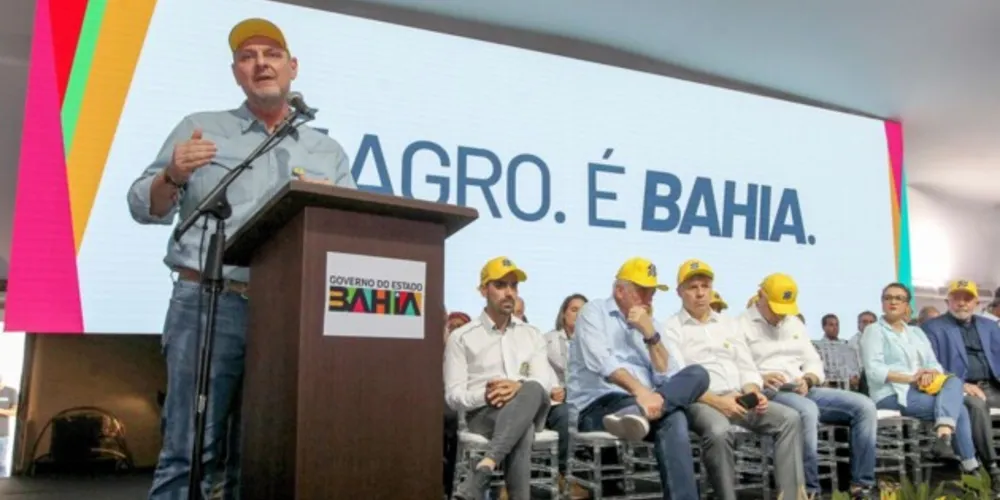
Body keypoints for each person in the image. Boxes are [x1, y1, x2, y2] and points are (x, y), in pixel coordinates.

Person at [126, 18, 357, 499]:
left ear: (293, 67)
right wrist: (172, 174)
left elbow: (351, 231)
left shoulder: (326, 150)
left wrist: (332, 208)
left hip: (287, 311)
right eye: (248, 57)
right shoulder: (201, 127)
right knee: (190, 449)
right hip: (208, 300)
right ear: (236, 73)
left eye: (272, 54)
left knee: (260, 451)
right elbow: (143, 206)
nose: (261, 64)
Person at [568, 257, 709, 500]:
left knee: (698, 374)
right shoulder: (594, 311)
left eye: (652, 292)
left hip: (644, 406)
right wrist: (641, 393)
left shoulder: (652, 324)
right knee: (673, 417)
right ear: (619, 291)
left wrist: (650, 334)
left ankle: (638, 412)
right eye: (642, 291)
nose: (649, 298)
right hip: (599, 406)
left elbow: (668, 376)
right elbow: (603, 363)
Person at [662, 259, 804, 500]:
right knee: (719, 430)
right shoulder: (671, 328)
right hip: (702, 401)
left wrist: (753, 391)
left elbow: (745, 365)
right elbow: (678, 378)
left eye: (705, 286)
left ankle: (791, 496)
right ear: (679, 292)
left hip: (739, 397)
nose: (700, 293)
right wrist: (719, 402)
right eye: (693, 287)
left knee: (789, 418)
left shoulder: (728, 324)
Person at [741, 273, 877, 499]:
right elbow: (739, 366)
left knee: (864, 406)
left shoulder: (794, 323)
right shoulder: (740, 325)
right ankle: (808, 490)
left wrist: (809, 379)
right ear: (761, 295)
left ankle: (862, 485)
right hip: (768, 392)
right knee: (807, 410)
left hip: (802, 387)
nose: (780, 314)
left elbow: (813, 361)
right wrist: (761, 377)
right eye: (775, 308)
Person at [445, 257, 552, 500]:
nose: (509, 293)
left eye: (514, 286)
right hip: (484, 414)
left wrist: (517, 387)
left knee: (533, 387)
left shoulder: (532, 334)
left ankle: (485, 468)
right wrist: (487, 394)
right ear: (483, 290)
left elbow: (544, 383)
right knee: (522, 429)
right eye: (501, 285)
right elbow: (453, 396)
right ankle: (488, 469)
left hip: (531, 406)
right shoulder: (462, 337)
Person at [861, 282, 980, 474]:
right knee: (959, 409)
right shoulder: (874, 331)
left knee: (954, 381)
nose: (893, 302)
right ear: (882, 303)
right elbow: (874, 372)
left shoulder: (916, 332)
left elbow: (934, 364)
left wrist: (929, 373)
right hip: (892, 393)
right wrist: (911, 379)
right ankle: (970, 466)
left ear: (906, 305)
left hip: (922, 389)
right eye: (888, 298)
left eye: (899, 298)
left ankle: (946, 432)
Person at [923, 279, 1000, 494]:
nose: (962, 303)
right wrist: (962, 385)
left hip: (993, 385)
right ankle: (992, 468)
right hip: (959, 388)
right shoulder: (933, 328)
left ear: (976, 303)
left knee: (979, 402)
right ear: (947, 301)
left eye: (967, 299)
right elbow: (931, 365)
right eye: (957, 298)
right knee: (976, 406)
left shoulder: (989, 326)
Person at [542, 294, 590, 499]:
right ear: (563, 314)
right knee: (566, 414)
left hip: (585, 398)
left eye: (584, 311)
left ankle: (608, 478)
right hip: (556, 400)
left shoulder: (594, 342)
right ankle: (565, 474)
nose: (579, 315)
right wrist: (553, 389)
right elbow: (540, 371)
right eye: (574, 310)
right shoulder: (547, 340)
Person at [0, 374, 18, 477]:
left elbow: (15, 412)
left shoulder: (11, 392)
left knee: (1, 465)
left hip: (2, 435)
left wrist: (1, 411)